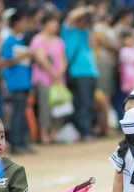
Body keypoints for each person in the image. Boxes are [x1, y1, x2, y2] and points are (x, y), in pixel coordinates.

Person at [61, 4, 100, 141]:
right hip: (78, 72)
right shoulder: (69, 30)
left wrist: (91, 20)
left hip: (91, 72)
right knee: (82, 103)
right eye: (84, 19)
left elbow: (93, 44)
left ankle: (87, 130)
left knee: (89, 103)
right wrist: (88, 9)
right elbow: (71, 17)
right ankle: (84, 132)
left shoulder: (87, 32)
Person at [29, 10, 67, 145]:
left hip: (58, 79)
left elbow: (63, 59)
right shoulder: (38, 39)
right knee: (44, 106)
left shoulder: (58, 40)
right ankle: (44, 133)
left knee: (57, 106)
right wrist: (53, 73)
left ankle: (54, 132)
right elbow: (41, 58)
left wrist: (59, 72)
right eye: (53, 22)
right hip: (44, 79)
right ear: (45, 24)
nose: (55, 25)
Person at [1, 9, 34, 154]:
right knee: (17, 115)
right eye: (22, 22)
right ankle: (16, 144)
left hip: (24, 81)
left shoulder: (20, 40)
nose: (24, 25)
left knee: (22, 113)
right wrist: (23, 56)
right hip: (16, 83)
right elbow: (6, 61)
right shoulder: (8, 41)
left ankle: (22, 143)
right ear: (16, 23)